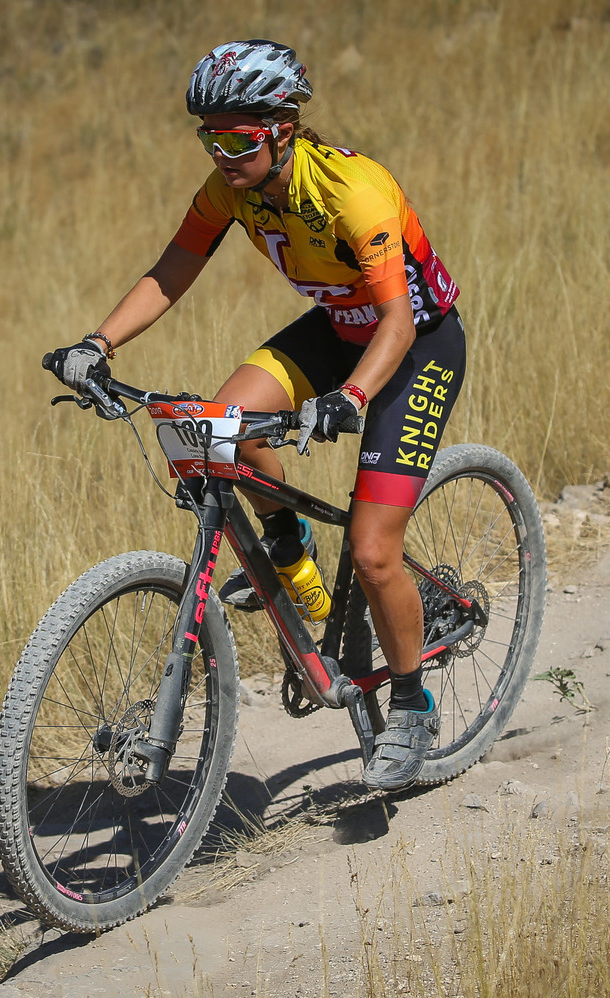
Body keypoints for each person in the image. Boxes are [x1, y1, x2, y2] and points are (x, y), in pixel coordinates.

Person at [46, 39, 465, 790]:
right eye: (208, 138)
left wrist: (349, 399)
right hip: (337, 332)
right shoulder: (231, 188)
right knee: (221, 425)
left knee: (374, 554)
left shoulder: (354, 193)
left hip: (414, 347)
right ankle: (288, 544)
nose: (221, 154)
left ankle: (411, 706)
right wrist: (96, 343)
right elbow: (173, 267)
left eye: (237, 139)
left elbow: (398, 322)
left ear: (283, 129)